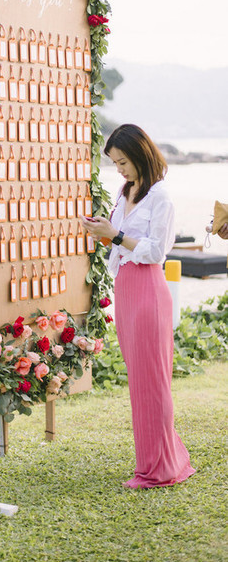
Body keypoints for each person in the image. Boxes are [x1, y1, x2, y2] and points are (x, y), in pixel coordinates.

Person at [80, 123, 196, 489]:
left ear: (141, 154)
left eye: (124, 162)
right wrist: (102, 231)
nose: (120, 170)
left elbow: (155, 251)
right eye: (115, 163)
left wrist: (114, 235)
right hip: (126, 289)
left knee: (152, 381)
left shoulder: (161, 197)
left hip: (148, 290)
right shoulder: (124, 190)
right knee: (139, 381)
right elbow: (122, 242)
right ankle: (157, 460)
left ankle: (157, 469)